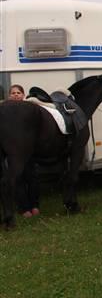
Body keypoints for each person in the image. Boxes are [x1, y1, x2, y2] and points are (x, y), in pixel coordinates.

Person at [7, 84, 41, 218]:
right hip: (13, 153)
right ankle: (23, 208)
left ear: (23, 95)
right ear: (9, 96)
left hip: (29, 151)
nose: (16, 95)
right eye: (13, 93)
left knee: (32, 178)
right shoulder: (5, 111)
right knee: (18, 179)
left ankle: (35, 205)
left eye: (18, 93)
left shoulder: (30, 109)